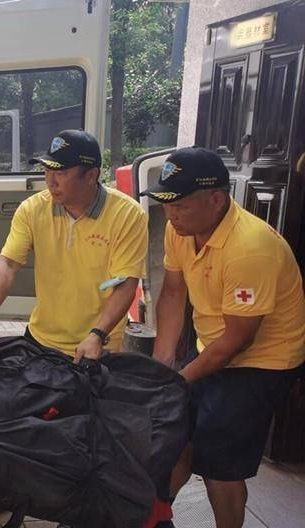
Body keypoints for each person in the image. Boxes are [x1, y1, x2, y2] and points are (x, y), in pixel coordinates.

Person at [143, 147, 305, 528]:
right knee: (176, 436)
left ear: (216, 199)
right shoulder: (179, 229)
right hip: (213, 347)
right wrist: (161, 365)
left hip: (264, 361)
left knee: (220, 462)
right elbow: (173, 292)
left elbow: (238, 341)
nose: (170, 214)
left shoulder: (250, 248)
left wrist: (179, 379)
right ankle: (153, 516)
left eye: (179, 204)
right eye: (165, 203)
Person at [0, 129, 148, 363]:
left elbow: (125, 283)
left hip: (97, 342)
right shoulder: (32, 209)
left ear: (91, 175)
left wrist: (97, 334)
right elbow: (8, 263)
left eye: (61, 173)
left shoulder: (127, 214)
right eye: (47, 170)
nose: (50, 181)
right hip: (40, 338)